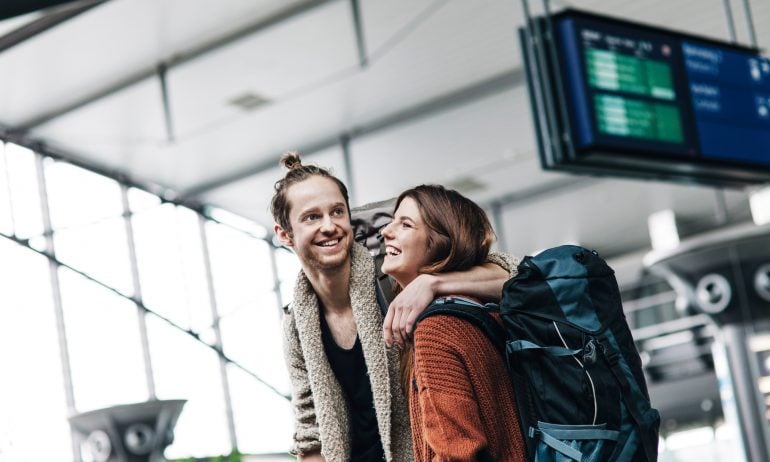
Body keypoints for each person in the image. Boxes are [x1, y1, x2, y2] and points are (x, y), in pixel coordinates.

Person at [271, 153, 516, 462]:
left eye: (337, 211)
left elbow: (517, 276)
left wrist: (432, 283)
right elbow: (310, 430)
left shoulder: (392, 274)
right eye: (312, 217)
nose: (329, 226)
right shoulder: (298, 324)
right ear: (284, 234)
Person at [380, 184, 527, 462]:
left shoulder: (436, 329)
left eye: (406, 224)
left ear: (439, 244)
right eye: (392, 221)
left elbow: (456, 454)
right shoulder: (487, 312)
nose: (386, 231)